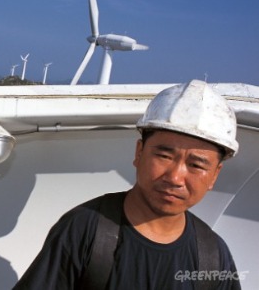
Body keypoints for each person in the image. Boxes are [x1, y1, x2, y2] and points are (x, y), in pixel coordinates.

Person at [13, 80, 242, 289]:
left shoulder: (214, 258)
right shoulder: (85, 229)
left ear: (214, 176)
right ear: (139, 152)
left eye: (196, 165)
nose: (174, 177)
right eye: (164, 156)